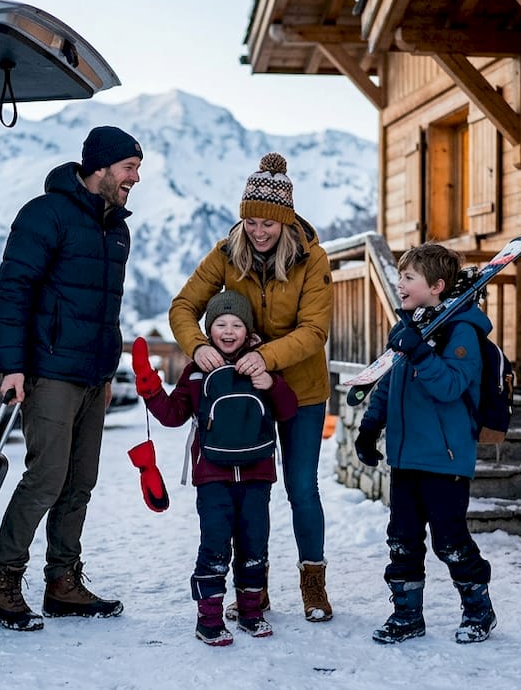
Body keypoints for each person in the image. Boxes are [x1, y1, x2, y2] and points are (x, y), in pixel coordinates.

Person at [0, 125, 143, 632]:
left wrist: (108, 372)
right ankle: (2, 581)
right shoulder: (44, 214)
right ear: (100, 167)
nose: (135, 179)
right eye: (129, 168)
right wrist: (14, 366)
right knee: (45, 479)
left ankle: (62, 583)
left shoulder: (117, 227)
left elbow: (105, 310)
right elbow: (13, 292)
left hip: (93, 375)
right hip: (49, 371)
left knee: (80, 482)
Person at [169, 152, 335, 622]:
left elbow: (314, 331)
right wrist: (198, 345)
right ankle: (252, 586)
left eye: (269, 223)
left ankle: (313, 583)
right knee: (246, 487)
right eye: (251, 222)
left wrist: (265, 357)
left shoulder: (312, 259)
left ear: (285, 222)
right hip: (243, 395)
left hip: (299, 390)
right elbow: (183, 306)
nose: (259, 232)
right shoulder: (226, 254)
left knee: (301, 486)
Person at [355, 242, 498, 644]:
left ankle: (478, 611)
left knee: (450, 540)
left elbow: (452, 386)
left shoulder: (462, 331)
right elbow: (388, 381)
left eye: (408, 277)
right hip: (405, 458)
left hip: (445, 460)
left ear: (436, 286)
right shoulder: (409, 328)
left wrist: (419, 354)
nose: (399, 283)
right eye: (400, 276)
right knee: (402, 539)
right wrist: (370, 427)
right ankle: (406, 615)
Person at [136, 290, 298, 646]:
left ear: (248, 329)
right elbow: (174, 415)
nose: (228, 330)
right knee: (214, 545)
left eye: (237, 324)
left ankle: (250, 612)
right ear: (209, 330)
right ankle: (208, 618)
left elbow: (287, 411)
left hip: (257, 475)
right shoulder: (196, 371)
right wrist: (150, 388)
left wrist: (270, 383)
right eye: (220, 324)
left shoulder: (262, 364)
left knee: (255, 542)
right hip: (212, 476)